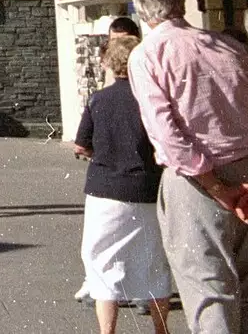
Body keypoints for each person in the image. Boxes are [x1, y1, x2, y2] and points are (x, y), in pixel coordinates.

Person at [129, 0, 248, 334]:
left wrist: (216, 187)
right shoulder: (234, 48)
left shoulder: (148, 54)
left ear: (143, 12)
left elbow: (167, 135)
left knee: (210, 292)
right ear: (181, 4)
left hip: (196, 185)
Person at [74, 35, 172, 334]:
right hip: (147, 188)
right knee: (155, 260)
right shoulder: (151, 98)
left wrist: (99, 153)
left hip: (105, 191)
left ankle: (108, 331)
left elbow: (81, 145)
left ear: (109, 63)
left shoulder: (98, 99)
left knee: (103, 264)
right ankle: (161, 329)